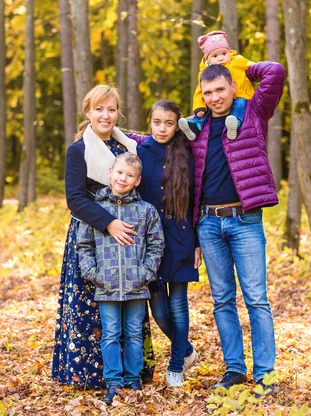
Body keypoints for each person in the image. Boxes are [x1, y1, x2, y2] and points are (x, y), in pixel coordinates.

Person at [189, 62, 285, 394]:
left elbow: (275, 72)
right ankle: (234, 370)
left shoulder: (252, 114)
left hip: (245, 221)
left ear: (233, 86)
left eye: (220, 89)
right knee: (222, 300)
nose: (215, 97)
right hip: (208, 223)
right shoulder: (196, 128)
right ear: (202, 95)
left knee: (256, 299)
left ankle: (265, 375)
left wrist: (238, 62)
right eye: (208, 92)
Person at [51, 85, 156, 389]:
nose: (105, 115)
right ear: (88, 112)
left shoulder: (127, 149)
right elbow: (75, 199)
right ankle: (91, 374)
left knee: (129, 305)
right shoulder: (79, 150)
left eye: (111, 109)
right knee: (90, 303)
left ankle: (131, 374)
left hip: (128, 239)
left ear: (117, 113)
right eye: (99, 109)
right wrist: (109, 223)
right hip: (93, 232)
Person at [77, 153, 164, 404]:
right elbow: (84, 244)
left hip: (137, 285)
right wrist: (93, 273)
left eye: (129, 175)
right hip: (106, 284)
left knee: (135, 333)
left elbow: (156, 244)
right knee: (111, 333)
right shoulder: (96, 209)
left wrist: (146, 273)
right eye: (119, 173)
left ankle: (133, 380)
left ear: (137, 181)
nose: (123, 178)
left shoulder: (146, 211)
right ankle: (113, 382)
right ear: (110, 173)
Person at [129, 99, 202, 387]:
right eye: (157, 122)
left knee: (179, 305)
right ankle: (187, 351)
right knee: (159, 311)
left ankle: (176, 367)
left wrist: (196, 243)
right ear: (150, 122)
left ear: (177, 124)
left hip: (180, 236)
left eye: (169, 123)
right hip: (150, 240)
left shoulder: (187, 152)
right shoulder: (140, 151)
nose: (162, 128)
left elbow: (195, 201)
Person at [178, 30, 255, 141]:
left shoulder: (237, 61)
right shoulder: (205, 73)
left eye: (224, 54)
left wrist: (259, 70)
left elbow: (251, 65)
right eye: (215, 56)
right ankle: (194, 126)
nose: (220, 58)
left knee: (240, 104)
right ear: (207, 59)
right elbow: (200, 92)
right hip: (218, 105)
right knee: (203, 113)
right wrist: (199, 107)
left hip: (240, 95)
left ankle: (234, 124)